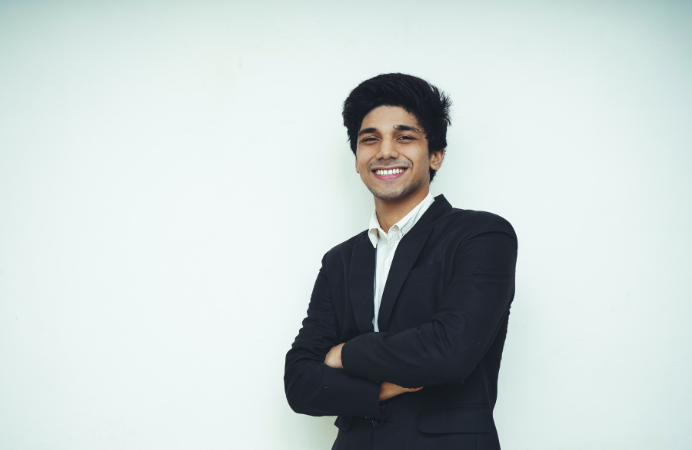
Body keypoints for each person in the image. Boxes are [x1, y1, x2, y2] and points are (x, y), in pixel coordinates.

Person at [284, 73, 518, 450]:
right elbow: (299, 383)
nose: (385, 151)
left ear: (436, 155)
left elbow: (448, 353)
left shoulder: (481, 236)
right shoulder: (340, 261)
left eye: (404, 137)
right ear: (357, 160)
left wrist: (344, 353)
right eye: (370, 139)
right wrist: (380, 390)